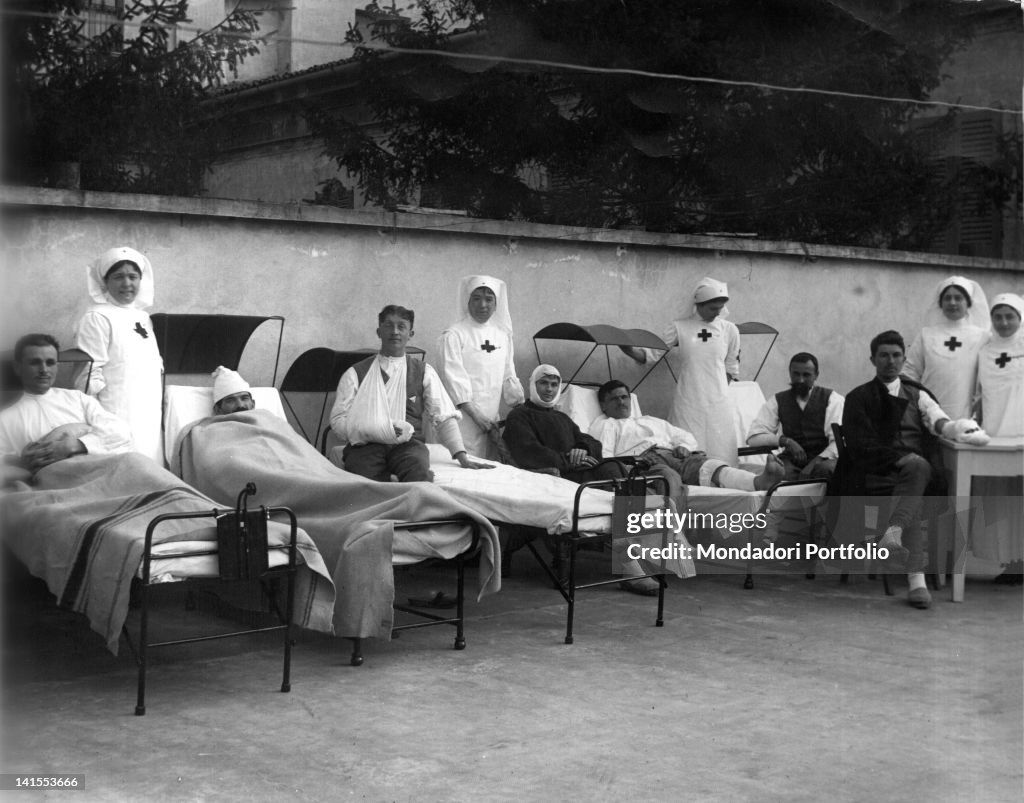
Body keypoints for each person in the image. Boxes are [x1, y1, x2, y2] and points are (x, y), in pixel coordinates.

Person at [839, 330, 982, 610]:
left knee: (915, 479)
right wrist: (899, 459)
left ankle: (894, 534)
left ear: (904, 359)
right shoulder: (859, 397)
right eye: (883, 356)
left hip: (916, 474)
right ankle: (917, 580)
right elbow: (859, 444)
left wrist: (956, 429)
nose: (890, 361)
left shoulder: (918, 395)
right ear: (872, 359)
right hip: (876, 472)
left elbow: (938, 421)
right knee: (915, 475)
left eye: (896, 355)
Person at [503, 366, 663, 595]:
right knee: (624, 483)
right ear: (533, 385)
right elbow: (527, 451)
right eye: (543, 383)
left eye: (554, 384)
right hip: (554, 476)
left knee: (623, 474)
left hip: (579, 473)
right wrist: (568, 460)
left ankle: (638, 560)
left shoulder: (560, 416)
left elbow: (590, 441)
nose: (549, 389)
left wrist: (581, 448)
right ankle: (631, 568)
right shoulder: (520, 415)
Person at [330, 305, 490, 482]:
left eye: (401, 326)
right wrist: (370, 430)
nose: (395, 331)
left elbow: (443, 415)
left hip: (408, 446)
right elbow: (338, 419)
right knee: (365, 479)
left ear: (410, 334)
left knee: (418, 474)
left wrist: (461, 456)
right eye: (388, 325)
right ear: (378, 331)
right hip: (366, 446)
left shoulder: (423, 372)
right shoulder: (355, 373)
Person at [590, 380, 786, 509]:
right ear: (603, 405)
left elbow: (684, 436)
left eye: (624, 397)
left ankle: (759, 482)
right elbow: (606, 458)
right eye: (614, 398)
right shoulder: (606, 425)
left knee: (711, 466)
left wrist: (683, 445)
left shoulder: (649, 420)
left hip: (674, 454)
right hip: (644, 461)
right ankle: (675, 536)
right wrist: (632, 464)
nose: (621, 402)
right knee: (670, 478)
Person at [622, 277, 740, 465]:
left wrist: (718, 393)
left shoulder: (730, 330)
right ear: (699, 305)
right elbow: (652, 355)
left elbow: (731, 366)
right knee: (686, 451)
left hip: (719, 403)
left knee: (721, 452)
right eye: (712, 308)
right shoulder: (680, 327)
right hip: (689, 399)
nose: (717, 312)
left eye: (720, 307)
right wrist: (628, 350)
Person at [74, 246, 164, 464]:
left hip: (148, 408)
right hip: (115, 409)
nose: (127, 284)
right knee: (123, 467)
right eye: (118, 277)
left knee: (150, 466)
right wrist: (97, 419)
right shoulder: (96, 317)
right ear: (105, 281)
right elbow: (88, 374)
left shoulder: (143, 317)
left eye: (133, 276)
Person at [1, 333, 133, 479]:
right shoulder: (6, 418)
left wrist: (75, 445)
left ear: (57, 366)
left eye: (50, 362)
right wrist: (19, 462)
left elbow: (121, 433)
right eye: (35, 362)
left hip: (100, 475)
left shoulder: (78, 399)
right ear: (18, 367)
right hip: (55, 486)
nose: (44, 370)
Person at [438, 275, 525, 460]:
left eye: (489, 299)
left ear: (496, 303)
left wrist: (520, 406)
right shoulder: (454, 335)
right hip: (463, 420)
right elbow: (452, 379)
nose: (483, 304)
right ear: (467, 300)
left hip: (491, 420)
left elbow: (509, 373)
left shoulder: (503, 335)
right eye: (476, 298)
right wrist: (476, 416)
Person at [973, 293, 1024, 584]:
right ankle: (1013, 561)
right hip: (997, 433)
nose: (1004, 322)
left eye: (1010, 316)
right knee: (1004, 501)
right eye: (998, 316)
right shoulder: (986, 350)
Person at [746, 352, 844, 480]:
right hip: (793, 460)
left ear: (816, 375)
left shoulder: (832, 399)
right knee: (777, 473)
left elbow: (837, 442)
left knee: (825, 471)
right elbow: (754, 438)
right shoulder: (778, 400)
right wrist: (785, 441)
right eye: (796, 374)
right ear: (790, 373)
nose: (800, 380)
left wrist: (816, 461)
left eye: (806, 375)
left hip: (825, 458)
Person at [903, 275, 990, 420]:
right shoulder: (926, 335)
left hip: (966, 417)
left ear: (968, 302)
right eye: (947, 298)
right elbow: (910, 373)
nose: (952, 302)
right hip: (928, 414)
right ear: (940, 303)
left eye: (958, 298)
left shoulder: (983, 337)